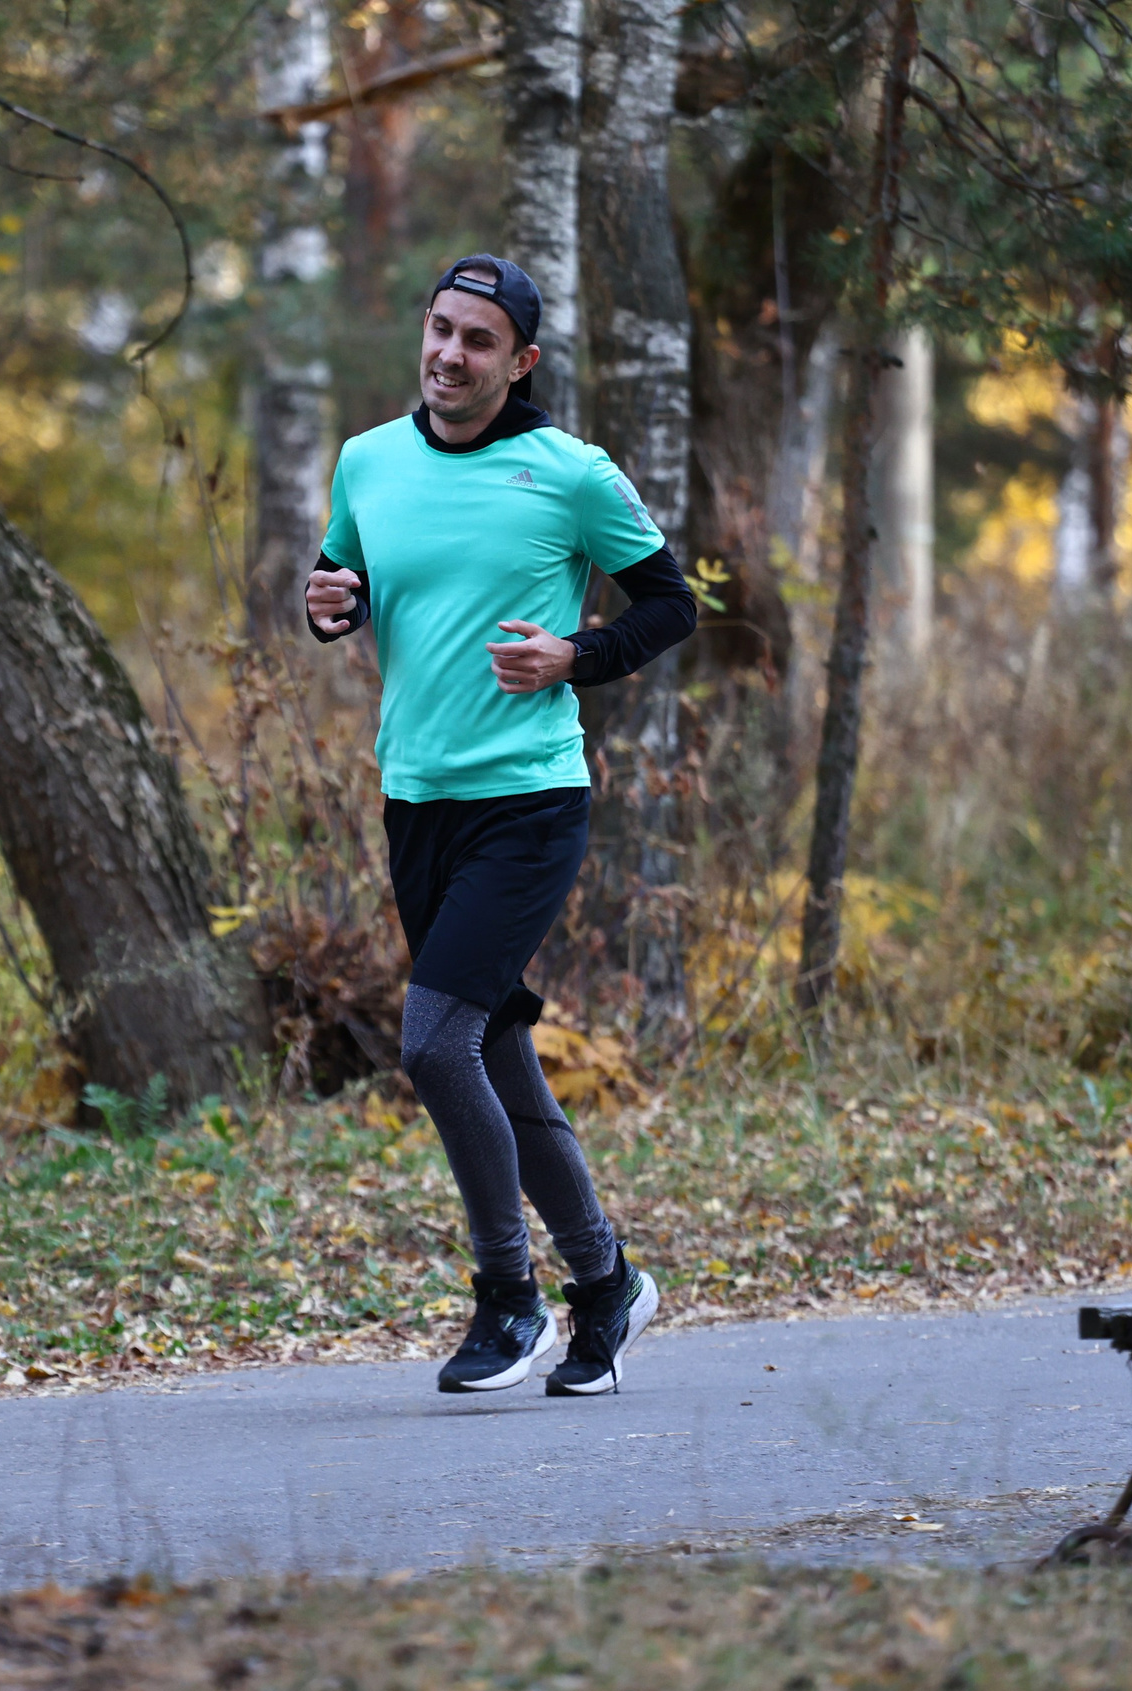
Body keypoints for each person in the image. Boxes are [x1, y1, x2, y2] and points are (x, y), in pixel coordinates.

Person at [306, 254, 696, 1396]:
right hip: (414, 800)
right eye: (439, 329)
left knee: (433, 1042)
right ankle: (606, 1282)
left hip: (528, 802)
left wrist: (578, 657)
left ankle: (507, 1297)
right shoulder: (367, 461)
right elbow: (353, 585)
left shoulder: (569, 474)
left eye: (478, 340)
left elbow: (670, 604)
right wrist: (333, 606)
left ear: (518, 362)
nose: (448, 354)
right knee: (494, 1049)